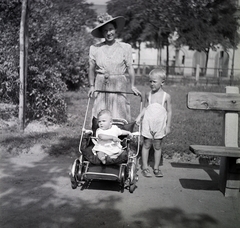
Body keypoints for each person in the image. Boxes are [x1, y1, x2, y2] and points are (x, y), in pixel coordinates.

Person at [88, 13, 141, 122]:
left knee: (119, 111)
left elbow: (130, 68)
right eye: (105, 31)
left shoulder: (125, 48)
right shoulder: (95, 48)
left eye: (111, 29)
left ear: (115, 29)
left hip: (119, 84)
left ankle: (121, 136)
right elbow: (91, 68)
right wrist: (92, 86)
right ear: (102, 33)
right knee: (101, 112)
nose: (109, 33)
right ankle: (98, 136)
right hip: (101, 84)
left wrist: (132, 85)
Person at [136, 68, 172, 177]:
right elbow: (145, 108)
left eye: (154, 81)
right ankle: (145, 167)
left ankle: (156, 168)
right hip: (148, 123)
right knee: (146, 144)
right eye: (150, 81)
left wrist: (168, 125)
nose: (151, 84)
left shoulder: (166, 96)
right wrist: (139, 117)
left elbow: (169, 111)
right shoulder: (148, 94)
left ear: (162, 83)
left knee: (157, 146)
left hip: (159, 124)